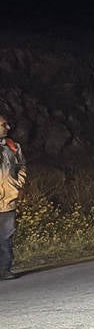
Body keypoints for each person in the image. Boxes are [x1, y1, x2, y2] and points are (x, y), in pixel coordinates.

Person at [1, 114, 27, 280]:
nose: (8, 127)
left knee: (6, 237)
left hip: (7, 201)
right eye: (4, 124)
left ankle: (5, 269)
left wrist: (18, 185)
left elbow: (22, 166)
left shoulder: (12, 147)